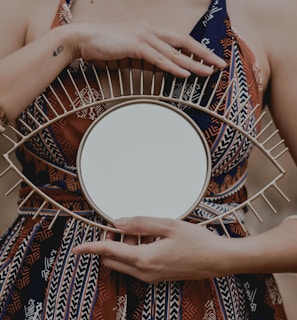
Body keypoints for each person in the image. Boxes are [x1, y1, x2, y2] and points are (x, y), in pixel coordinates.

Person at [1, 0, 297, 319]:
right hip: (43, 294)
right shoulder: (25, 7)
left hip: (216, 300)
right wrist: (69, 42)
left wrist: (227, 256)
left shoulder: (269, 12)